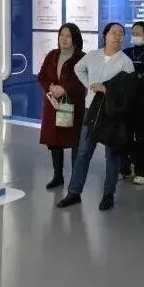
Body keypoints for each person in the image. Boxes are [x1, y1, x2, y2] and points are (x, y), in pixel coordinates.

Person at [56, 23, 135, 212]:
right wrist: (89, 84)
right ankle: (74, 192)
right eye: (113, 33)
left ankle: (108, 195)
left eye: (121, 33)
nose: (117, 36)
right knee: (83, 152)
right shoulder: (92, 55)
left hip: (111, 113)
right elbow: (78, 68)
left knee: (112, 156)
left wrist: (106, 89)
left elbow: (129, 90)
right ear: (105, 36)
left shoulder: (126, 62)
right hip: (91, 111)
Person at [37, 23, 86, 190]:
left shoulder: (81, 57)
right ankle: (58, 175)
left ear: (75, 39)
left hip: (72, 105)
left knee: (74, 140)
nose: (64, 39)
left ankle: (75, 180)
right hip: (53, 105)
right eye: (61, 35)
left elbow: (82, 82)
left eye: (68, 36)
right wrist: (50, 87)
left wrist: (64, 89)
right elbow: (42, 76)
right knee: (54, 141)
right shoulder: (52, 55)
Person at [121, 21, 144, 186]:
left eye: (138, 33)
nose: (134, 36)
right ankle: (124, 169)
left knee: (142, 138)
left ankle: (143, 172)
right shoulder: (126, 52)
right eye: (132, 33)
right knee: (125, 136)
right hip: (127, 101)